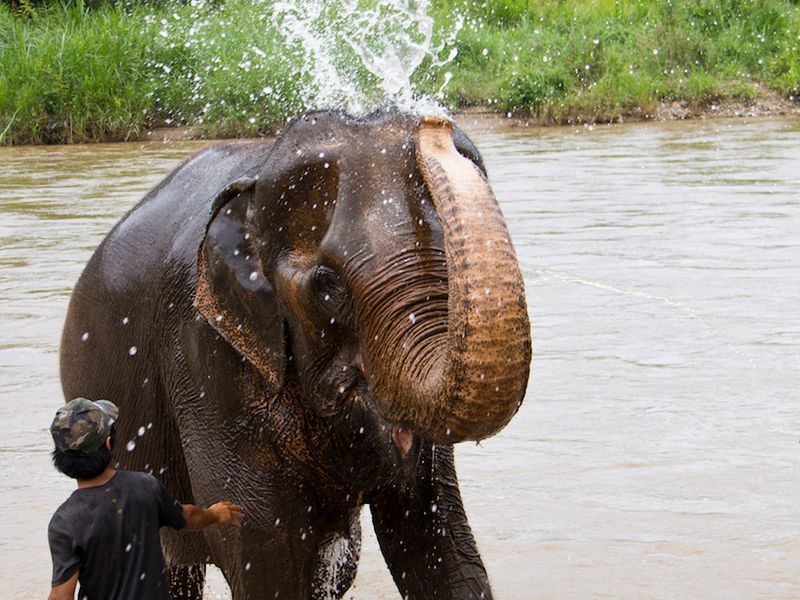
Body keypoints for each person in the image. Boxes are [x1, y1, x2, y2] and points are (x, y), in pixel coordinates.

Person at [47, 397, 244, 600]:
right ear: (109, 444)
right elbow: (189, 517)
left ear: (60, 458)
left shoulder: (65, 522)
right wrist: (215, 514)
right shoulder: (144, 487)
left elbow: (61, 596)